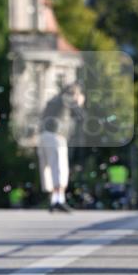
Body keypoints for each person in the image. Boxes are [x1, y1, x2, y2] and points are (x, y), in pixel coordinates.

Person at [36, 82, 84, 213]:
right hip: (55, 137)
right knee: (59, 168)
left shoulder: (54, 100)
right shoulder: (67, 99)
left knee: (49, 168)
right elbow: (80, 116)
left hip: (43, 136)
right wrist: (79, 103)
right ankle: (59, 201)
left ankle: (54, 200)